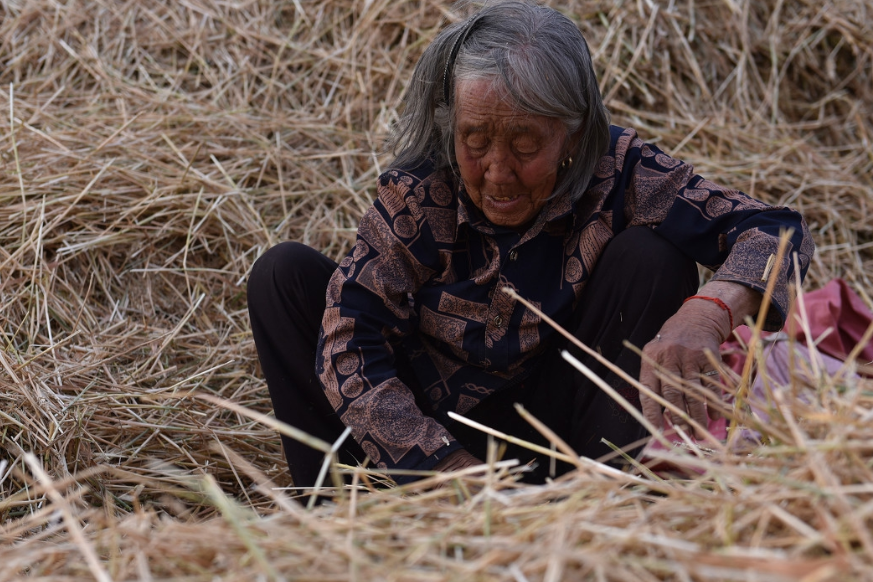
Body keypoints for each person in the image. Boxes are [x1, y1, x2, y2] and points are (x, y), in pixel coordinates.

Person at [247, 1, 814, 491]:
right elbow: (351, 337)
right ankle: (330, 523)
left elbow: (777, 233)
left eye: (525, 144)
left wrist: (710, 312)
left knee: (652, 258)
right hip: (428, 440)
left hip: (565, 430)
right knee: (284, 276)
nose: (498, 172)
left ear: (570, 133)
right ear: (451, 127)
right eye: (475, 139)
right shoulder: (419, 193)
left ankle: (604, 502)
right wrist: (445, 474)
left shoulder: (617, 171)